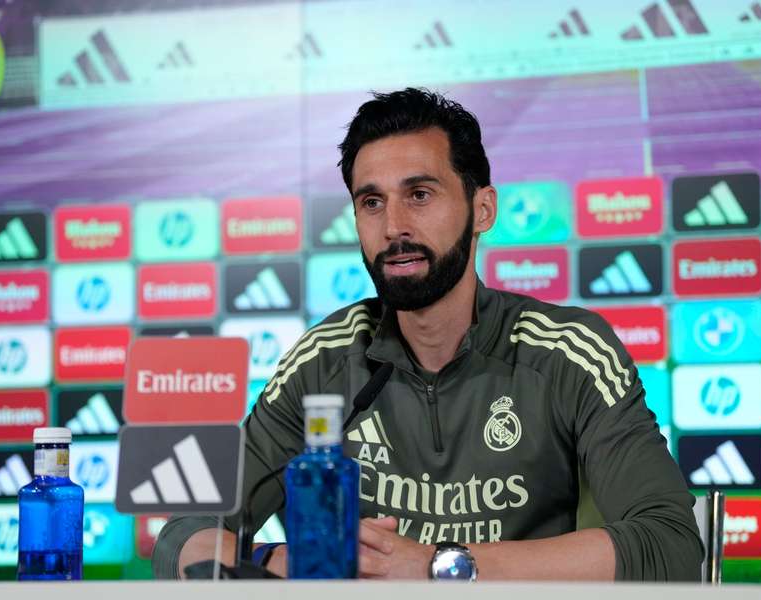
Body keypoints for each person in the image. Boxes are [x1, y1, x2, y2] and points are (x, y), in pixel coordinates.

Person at [152, 88, 703, 581]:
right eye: (372, 202)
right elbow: (186, 534)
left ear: (482, 209)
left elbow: (671, 545)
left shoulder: (569, 351)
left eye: (419, 194)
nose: (393, 226)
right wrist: (289, 560)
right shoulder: (325, 359)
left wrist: (440, 566)